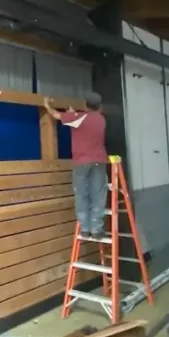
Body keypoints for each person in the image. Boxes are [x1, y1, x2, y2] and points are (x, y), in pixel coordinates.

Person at [44, 92, 108, 240]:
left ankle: (84, 229)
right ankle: (97, 229)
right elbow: (83, 120)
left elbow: (56, 115)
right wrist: (73, 114)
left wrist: (47, 104)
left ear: (85, 104)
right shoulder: (101, 119)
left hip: (82, 162)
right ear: (99, 106)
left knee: (81, 194)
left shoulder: (80, 118)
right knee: (98, 195)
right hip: (99, 161)